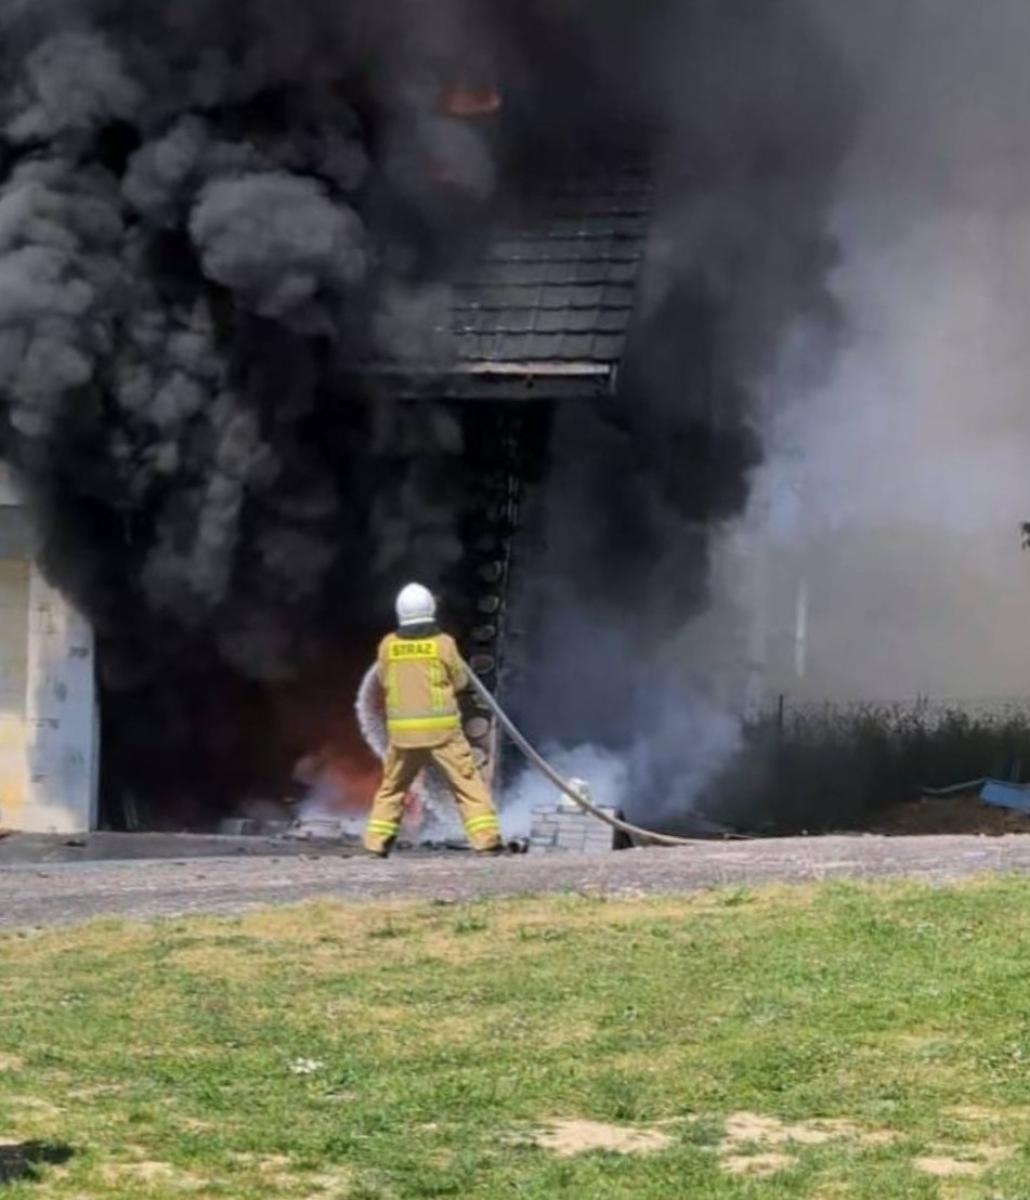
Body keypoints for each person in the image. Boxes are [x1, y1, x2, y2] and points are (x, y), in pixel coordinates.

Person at [363, 583, 503, 857]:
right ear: (430, 609)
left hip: (403, 736)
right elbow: (461, 681)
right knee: (467, 785)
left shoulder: (388, 646)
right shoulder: (444, 644)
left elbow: (382, 679)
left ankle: (375, 844)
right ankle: (487, 841)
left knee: (392, 789)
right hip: (442, 734)